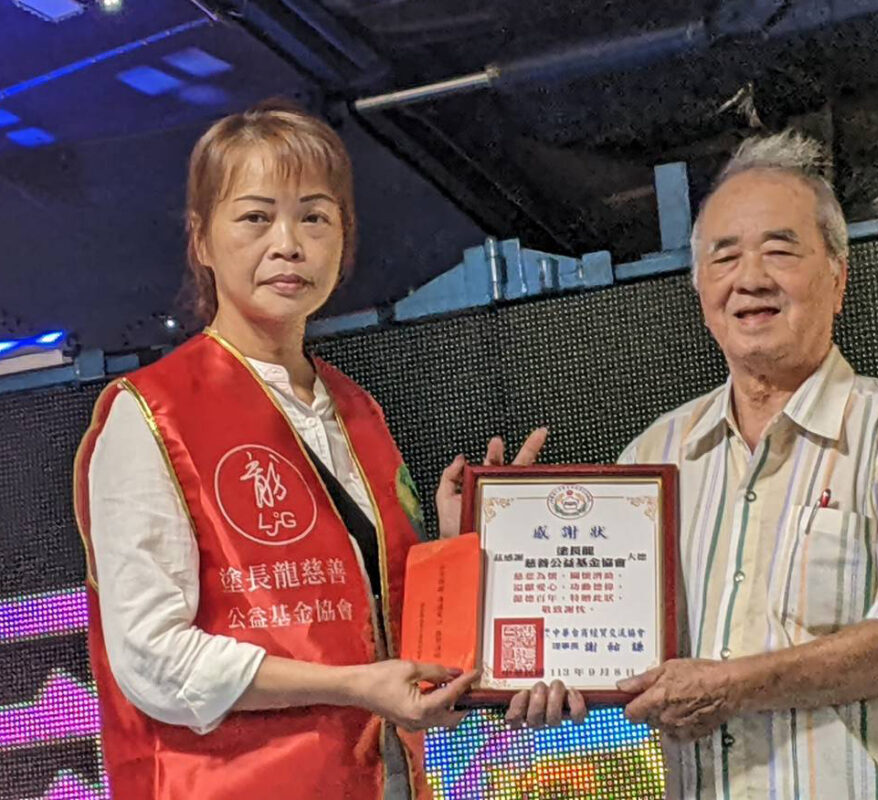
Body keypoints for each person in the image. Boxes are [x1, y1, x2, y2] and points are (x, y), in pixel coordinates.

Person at [72, 101, 554, 800]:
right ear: (201, 239)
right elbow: (153, 659)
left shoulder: (355, 409)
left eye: (315, 218)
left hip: (381, 776)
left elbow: (373, 622)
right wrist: (353, 686)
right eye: (255, 217)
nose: (289, 244)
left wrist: (459, 545)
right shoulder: (150, 412)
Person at [615, 131, 878, 798]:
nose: (751, 278)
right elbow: (609, 641)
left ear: (838, 278)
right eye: (724, 256)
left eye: (780, 251)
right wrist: (492, 542)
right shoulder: (651, 457)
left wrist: (730, 687)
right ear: (700, 290)